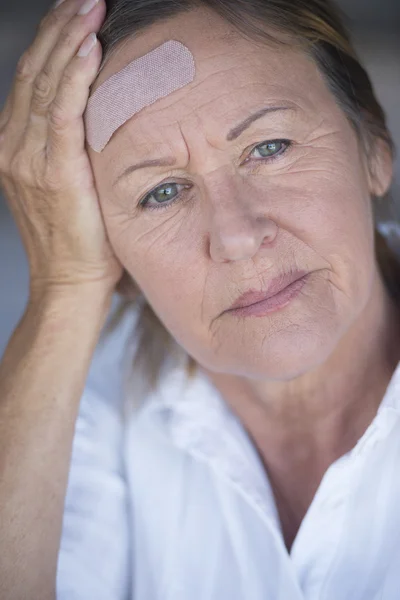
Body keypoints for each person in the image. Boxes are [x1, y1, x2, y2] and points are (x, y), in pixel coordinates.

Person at [1, 0, 400, 598]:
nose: (237, 237)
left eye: (270, 147)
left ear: (374, 148)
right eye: (161, 192)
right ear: (117, 263)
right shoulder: (83, 412)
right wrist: (66, 287)